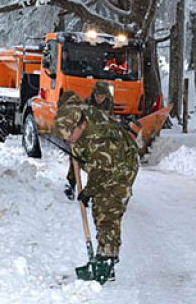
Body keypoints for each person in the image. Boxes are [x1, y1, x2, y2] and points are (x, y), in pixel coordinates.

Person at [54, 92, 138, 277]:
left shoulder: (99, 137)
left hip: (122, 164)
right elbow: (78, 155)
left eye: (71, 136)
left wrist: (87, 192)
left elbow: (103, 171)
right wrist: (73, 180)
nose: (69, 140)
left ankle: (106, 259)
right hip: (101, 163)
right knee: (101, 209)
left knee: (107, 209)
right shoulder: (73, 116)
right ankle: (107, 257)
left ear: (82, 125)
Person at [64, 81, 114, 200]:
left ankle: (92, 190)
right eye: (97, 96)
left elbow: (109, 120)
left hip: (100, 136)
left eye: (102, 97)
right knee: (75, 158)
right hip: (85, 134)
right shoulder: (87, 103)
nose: (99, 99)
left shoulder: (109, 104)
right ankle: (71, 184)